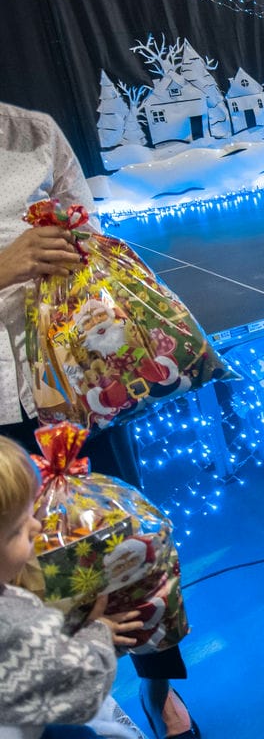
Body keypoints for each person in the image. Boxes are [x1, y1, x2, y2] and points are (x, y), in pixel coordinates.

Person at [0, 102, 198, 739]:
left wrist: (78, 244)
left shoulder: (34, 131)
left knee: (125, 541)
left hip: (75, 384)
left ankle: (156, 686)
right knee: (18, 563)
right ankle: (46, 695)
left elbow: (87, 226)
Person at [0, 436, 145, 739]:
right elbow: (82, 692)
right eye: (18, 529)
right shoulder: (13, 623)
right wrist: (99, 634)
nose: (36, 527)